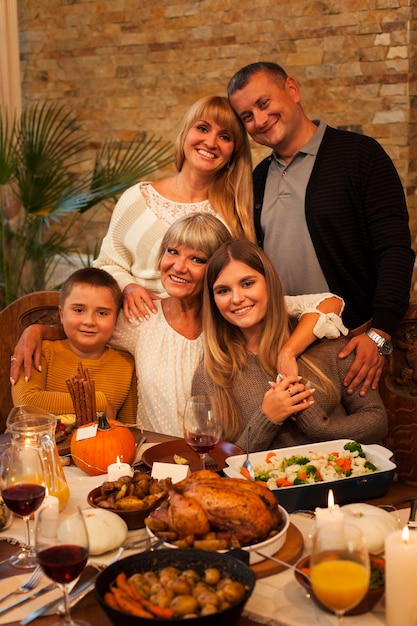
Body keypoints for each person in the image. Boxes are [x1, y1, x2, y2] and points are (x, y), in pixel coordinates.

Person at [11, 214, 347, 437]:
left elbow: (329, 303)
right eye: (173, 251)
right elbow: (86, 323)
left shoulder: (234, 313)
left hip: (220, 460)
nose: (179, 267)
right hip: (153, 460)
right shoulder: (140, 318)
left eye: (198, 259)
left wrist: (289, 352)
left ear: (216, 270)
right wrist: (39, 331)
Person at [227, 62, 415, 396]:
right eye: (246, 116)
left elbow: (396, 250)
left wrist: (379, 335)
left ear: (292, 90)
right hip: (284, 346)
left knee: (364, 443)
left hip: (353, 345)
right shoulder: (256, 179)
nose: (258, 119)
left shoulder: (360, 155)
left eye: (264, 103)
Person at [191, 240, 388, 452]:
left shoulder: (326, 343)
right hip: (261, 485)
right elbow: (217, 462)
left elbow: (377, 422)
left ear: (270, 283)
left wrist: (319, 426)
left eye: (247, 283)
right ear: (213, 300)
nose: (237, 298)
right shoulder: (210, 374)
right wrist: (267, 418)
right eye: (223, 291)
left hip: (343, 480)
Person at [93, 95, 256, 324]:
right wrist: (127, 288)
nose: (210, 143)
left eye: (225, 136)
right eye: (202, 128)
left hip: (202, 335)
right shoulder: (137, 199)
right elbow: (106, 264)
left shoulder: (235, 215)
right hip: (134, 328)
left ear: (233, 152)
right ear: (185, 134)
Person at [11, 268, 137, 425]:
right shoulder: (40, 350)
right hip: (36, 446)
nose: (89, 321)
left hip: (97, 447)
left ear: (116, 319)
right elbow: (26, 401)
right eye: (79, 310)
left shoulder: (127, 365)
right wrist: (99, 402)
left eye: (102, 313)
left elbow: (129, 428)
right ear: (62, 314)